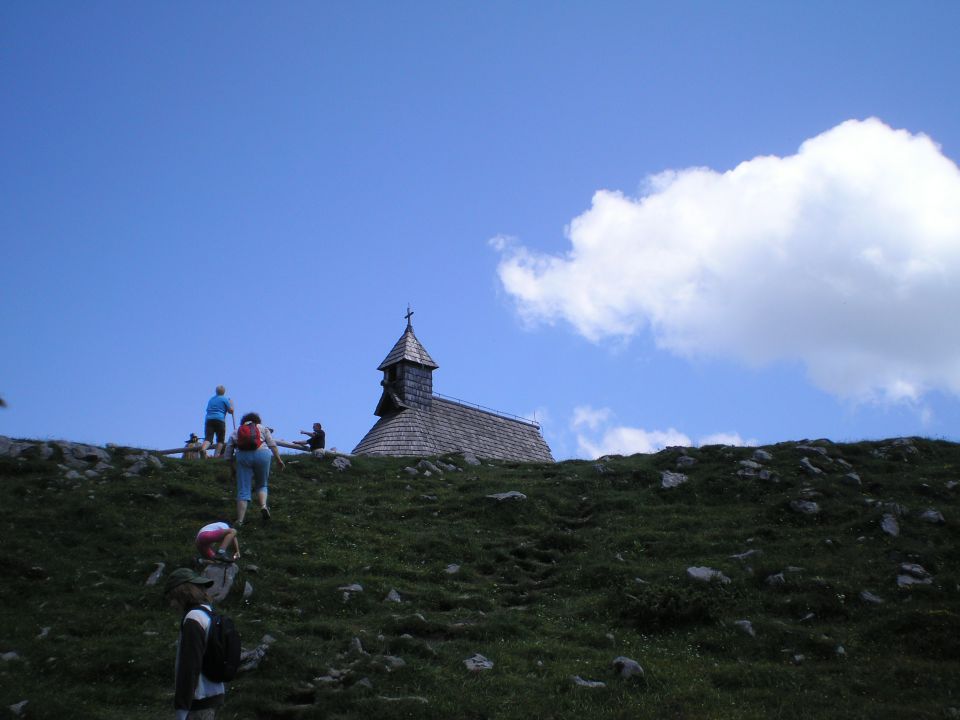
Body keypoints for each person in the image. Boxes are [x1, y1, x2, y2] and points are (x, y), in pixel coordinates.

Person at [164, 568, 226, 719]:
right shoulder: (208, 612)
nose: (171, 605)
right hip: (214, 694)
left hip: (198, 700)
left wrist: (181, 708)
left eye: (171, 598)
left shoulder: (193, 619)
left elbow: (190, 666)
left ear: (182, 593)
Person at [223, 412, 284, 525]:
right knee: (262, 484)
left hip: (243, 457)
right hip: (263, 454)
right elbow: (272, 444)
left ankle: (240, 520)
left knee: (243, 489)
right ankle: (263, 506)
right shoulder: (261, 427)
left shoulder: (237, 431)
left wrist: (232, 469)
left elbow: (227, 454)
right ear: (257, 420)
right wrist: (279, 459)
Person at [200, 386, 234, 458]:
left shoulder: (211, 399)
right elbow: (230, 411)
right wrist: (231, 404)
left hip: (209, 419)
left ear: (216, 391)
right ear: (224, 392)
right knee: (220, 440)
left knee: (208, 438)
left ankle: (203, 449)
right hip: (219, 420)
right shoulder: (225, 399)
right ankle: (216, 455)